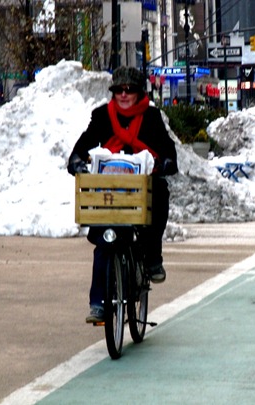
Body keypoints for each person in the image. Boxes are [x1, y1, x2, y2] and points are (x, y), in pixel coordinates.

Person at [67, 66, 178, 323]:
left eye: (129, 90)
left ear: (139, 93)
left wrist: (166, 163)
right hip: (111, 191)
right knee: (104, 245)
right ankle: (98, 304)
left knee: (159, 193)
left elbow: (167, 149)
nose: (124, 95)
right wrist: (76, 161)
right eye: (119, 90)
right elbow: (83, 144)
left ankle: (152, 258)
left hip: (142, 189)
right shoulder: (102, 116)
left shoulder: (151, 117)